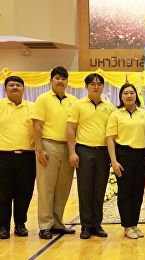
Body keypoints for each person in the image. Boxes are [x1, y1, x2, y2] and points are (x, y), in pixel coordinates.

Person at [31, 66, 77, 239]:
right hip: (49, 146)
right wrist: (40, 150)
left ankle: (58, 223)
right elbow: (36, 125)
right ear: (51, 80)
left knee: (63, 188)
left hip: (68, 147)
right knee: (46, 188)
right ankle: (45, 225)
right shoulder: (43, 99)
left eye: (63, 78)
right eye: (57, 78)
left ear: (67, 81)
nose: (60, 81)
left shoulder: (73, 100)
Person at [67, 73, 114, 239]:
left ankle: (97, 224)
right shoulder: (78, 105)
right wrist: (72, 152)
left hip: (103, 153)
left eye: (99, 83)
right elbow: (70, 129)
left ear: (103, 87)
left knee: (99, 190)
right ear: (86, 86)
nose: (96, 86)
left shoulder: (110, 107)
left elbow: (112, 133)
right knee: (85, 189)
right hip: (84, 151)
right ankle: (85, 226)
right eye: (92, 84)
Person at [106, 83, 145, 239]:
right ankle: (127, 226)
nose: (129, 95)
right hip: (123, 155)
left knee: (138, 192)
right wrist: (114, 162)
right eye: (126, 93)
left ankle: (135, 224)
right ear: (121, 96)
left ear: (136, 95)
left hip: (141, 155)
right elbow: (110, 139)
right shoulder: (115, 115)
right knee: (125, 192)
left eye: (132, 93)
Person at [0, 76, 36, 239]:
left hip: (27, 157)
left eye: (18, 85)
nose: (15, 87)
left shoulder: (33, 108)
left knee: (24, 193)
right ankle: (3, 226)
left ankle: (20, 224)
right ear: (5, 89)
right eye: (11, 85)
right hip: (3, 157)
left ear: (24, 89)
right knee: (3, 194)